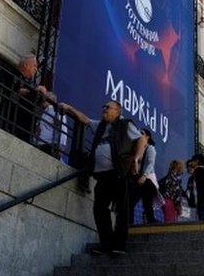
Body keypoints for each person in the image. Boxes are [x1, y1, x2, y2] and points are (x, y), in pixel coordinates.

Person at [59, 100, 146, 256]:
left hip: (118, 173)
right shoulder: (99, 125)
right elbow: (84, 119)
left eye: (108, 107)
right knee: (99, 208)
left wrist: (136, 159)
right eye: (104, 107)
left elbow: (142, 139)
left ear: (117, 111)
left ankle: (119, 245)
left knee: (121, 209)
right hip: (102, 176)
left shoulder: (125, 124)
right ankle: (106, 244)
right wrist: (70, 108)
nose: (104, 109)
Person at [130, 128, 159, 224]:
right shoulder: (137, 148)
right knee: (131, 201)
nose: (139, 134)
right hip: (138, 180)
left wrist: (144, 175)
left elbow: (151, 163)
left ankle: (151, 223)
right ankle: (129, 224)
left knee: (146, 203)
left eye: (142, 133)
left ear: (147, 137)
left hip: (147, 180)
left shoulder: (150, 148)